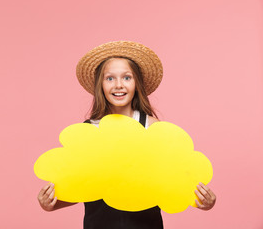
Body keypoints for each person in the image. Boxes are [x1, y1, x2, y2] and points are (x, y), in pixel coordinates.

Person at [37, 41, 216, 228]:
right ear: (100, 84)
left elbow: (171, 182)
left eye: (127, 78)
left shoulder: (152, 128)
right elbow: (83, 187)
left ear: (137, 83)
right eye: (110, 78)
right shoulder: (89, 131)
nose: (118, 85)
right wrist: (52, 204)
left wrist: (203, 201)